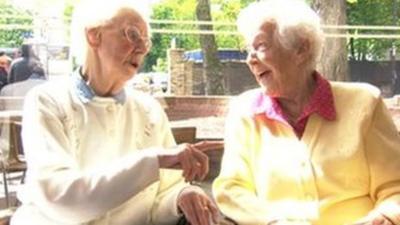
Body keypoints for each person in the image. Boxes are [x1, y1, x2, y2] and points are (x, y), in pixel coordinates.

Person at [11, 0, 219, 224]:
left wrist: (181, 196)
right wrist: (153, 160)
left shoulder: (149, 110)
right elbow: (59, 199)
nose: (142, 48)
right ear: (94, 35)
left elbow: (163, 195)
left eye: (146, 42)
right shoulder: (47, 101)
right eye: (132, 34)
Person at [212, 0, 400, 225]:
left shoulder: (364, 103)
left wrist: (385, 217)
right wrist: (273, 221)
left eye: (260, 46)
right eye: (248, 50)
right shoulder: (245, 112)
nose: (250, 59)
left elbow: (394, 187)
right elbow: (232, 188)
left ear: (301, 48)